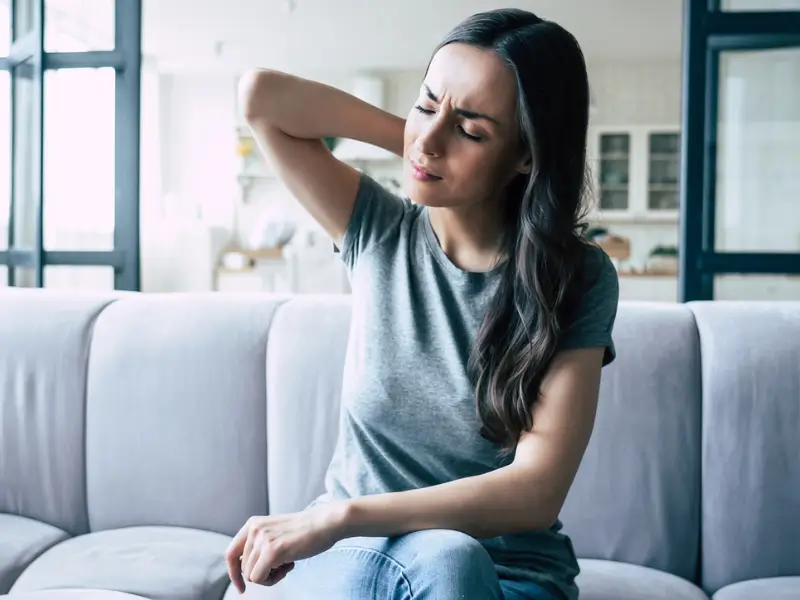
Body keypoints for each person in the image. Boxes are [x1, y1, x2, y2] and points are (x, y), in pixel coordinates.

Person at [226, 8, 619, 600]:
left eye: (472, 130)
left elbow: (537, 489)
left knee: (446, 556)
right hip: (358, 562)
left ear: (527, 155)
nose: (431, 137)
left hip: (496, 577)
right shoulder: (378, 232)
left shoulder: (577, 277)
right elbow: (262, 98)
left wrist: (340, 516)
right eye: (426, 102)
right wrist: (427, 141)